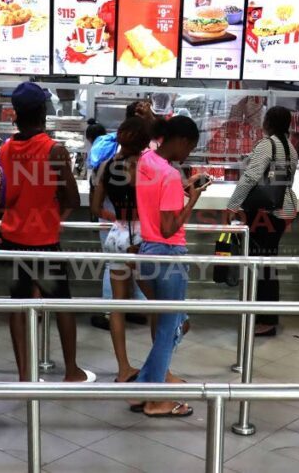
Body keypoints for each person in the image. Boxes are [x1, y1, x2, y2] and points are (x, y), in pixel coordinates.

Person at [0, 82, 95, 382]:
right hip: (44, 242)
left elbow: (0, 195)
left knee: (19, 306)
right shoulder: (54, 150)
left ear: (16, 114)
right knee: (61, 304)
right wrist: (56, 212)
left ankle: (24, 375)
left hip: (13, 239)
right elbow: (72, 198)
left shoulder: (5, 148)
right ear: (44, 110)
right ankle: (72, 370)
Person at [132, 115, 208, 417]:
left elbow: (156, 203)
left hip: (147, 252)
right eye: (190, 147)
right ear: (182, 140)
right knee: (168, 328)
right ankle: (157, 401)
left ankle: (141, 388)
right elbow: (168, 227)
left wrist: (181, 190)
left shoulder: (147, 160)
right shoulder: (170, 175)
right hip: (169, 253)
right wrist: (192, 200)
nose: (188, 154)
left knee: (169, 324)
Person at [227, 106, 298, 337]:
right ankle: (264, 316)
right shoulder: (291, 148)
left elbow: (250, 176)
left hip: (262, 212)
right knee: (267, 264)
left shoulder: (267, 144)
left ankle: (264, 320)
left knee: (261, 266)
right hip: (279, 212)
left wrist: (232, 205)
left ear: (267, 122)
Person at [90, 116, 152, 381]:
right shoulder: (146, 166)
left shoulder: (106, 165)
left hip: (116, 235)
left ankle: (123, 368)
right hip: (139, 237)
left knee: (117, 306)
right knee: (156, 303)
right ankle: (159, 367)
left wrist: (116, 218)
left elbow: (95, 209)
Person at [207, 95, 266, 180]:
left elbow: (213, 163)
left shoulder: (222, 130)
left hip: (226, 183)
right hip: (249, 185)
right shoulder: (258, 134)